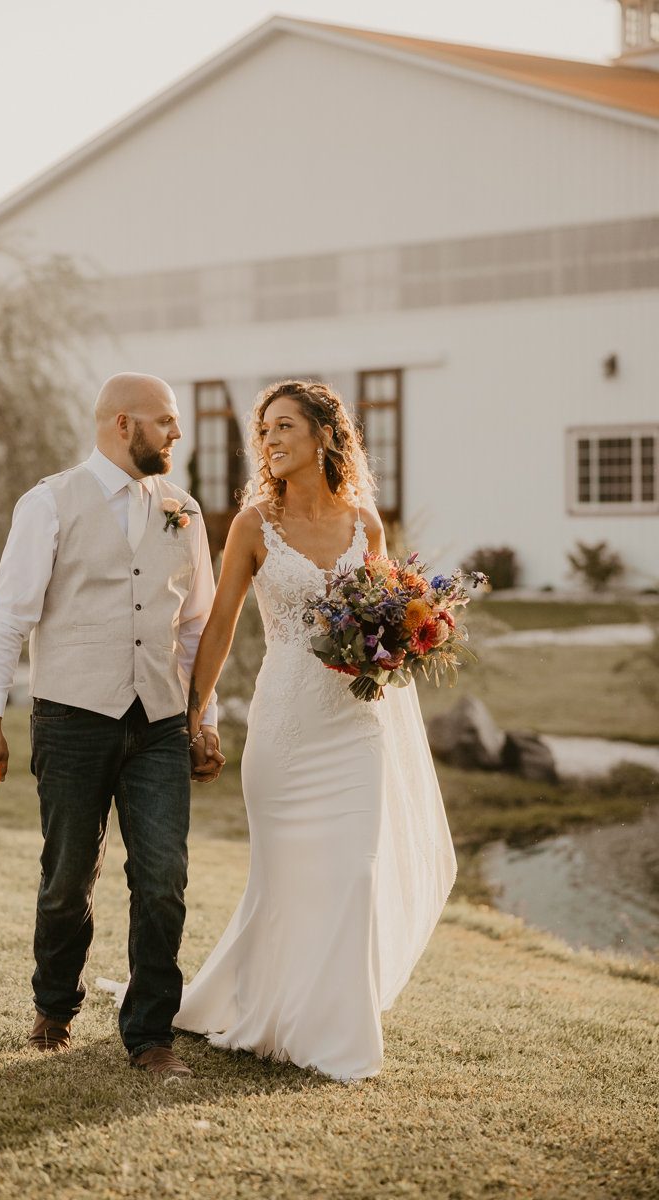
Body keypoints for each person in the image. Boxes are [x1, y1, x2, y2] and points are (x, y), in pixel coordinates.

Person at [174, 380, 456, 1082]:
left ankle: (334, 1034)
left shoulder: (366, 525)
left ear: (326, 437)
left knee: (353, 874)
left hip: (356, 725)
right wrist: (193, 718)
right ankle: (269, 1010)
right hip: (286, 724)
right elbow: (220, 629)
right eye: (264, 429)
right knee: (285, 877)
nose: (269, 439)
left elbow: (389, 613)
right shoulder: (252, 525)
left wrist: (403, 639)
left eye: (285, 426)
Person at [0, 373, 224, 1077]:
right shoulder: (48, 502)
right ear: (122, 425)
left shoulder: (185, 510)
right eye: (164, 421)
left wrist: (204, 718)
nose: (176, 434)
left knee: (164, 877)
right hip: (74, 719)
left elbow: (197, 623)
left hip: (163, 723)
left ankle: (150, 1035)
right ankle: (55, 1006)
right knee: (67, 876)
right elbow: (9, 617)